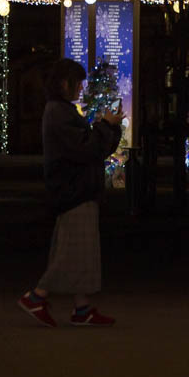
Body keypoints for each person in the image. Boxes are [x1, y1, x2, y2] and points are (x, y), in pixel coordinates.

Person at [17, 57, 122, 327]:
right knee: (72, 252)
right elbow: (86, 149)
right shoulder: (59, 113)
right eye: (78, 83)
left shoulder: (60, 111)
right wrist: (106, 125)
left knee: (79, 251)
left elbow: (90, 148)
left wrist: (109, 127)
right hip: (76, 190)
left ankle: (81, 308)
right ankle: (37, 296)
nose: (81, 88)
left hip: (74, 189)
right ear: (65, 83)